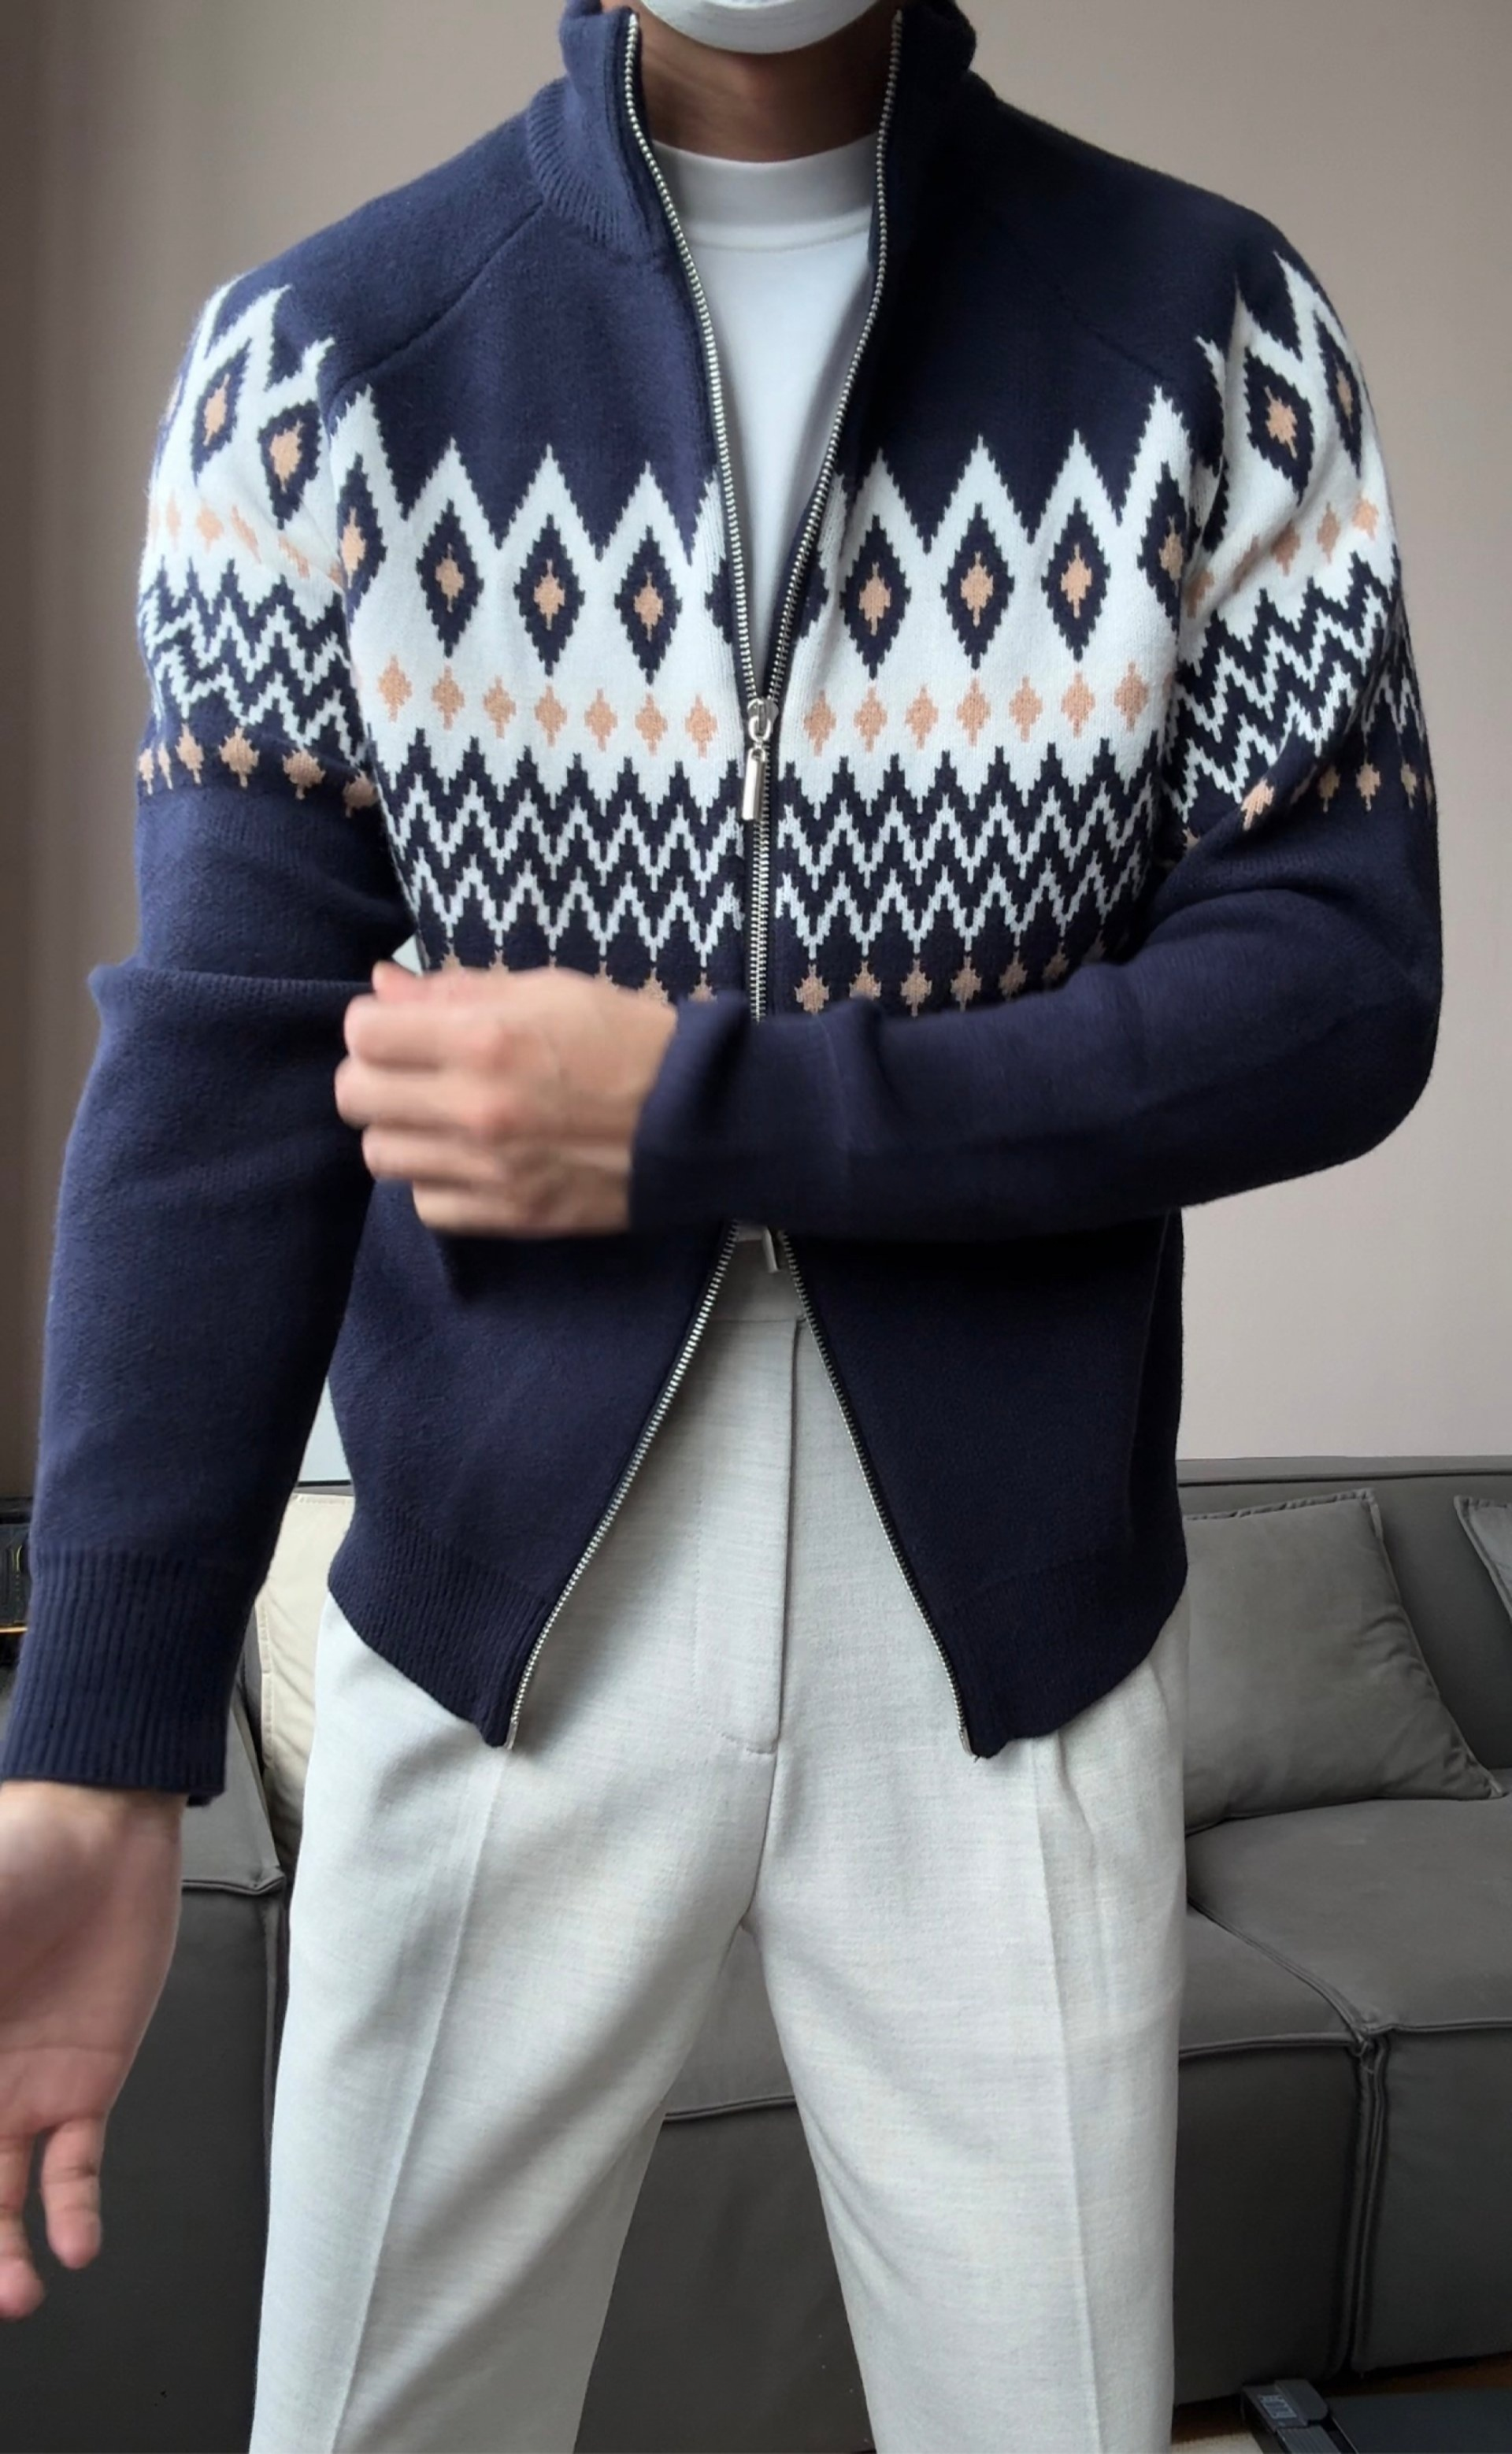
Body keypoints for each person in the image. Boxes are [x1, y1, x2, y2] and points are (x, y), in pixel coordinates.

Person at [0, 0, 1440, 2445]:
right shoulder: (319, 363)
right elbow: (222, 1073)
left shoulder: (1211, 328)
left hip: (1009, 1650)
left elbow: (1334, 987)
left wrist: (708, 1115)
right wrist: (95, 1744)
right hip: (498, 1632)